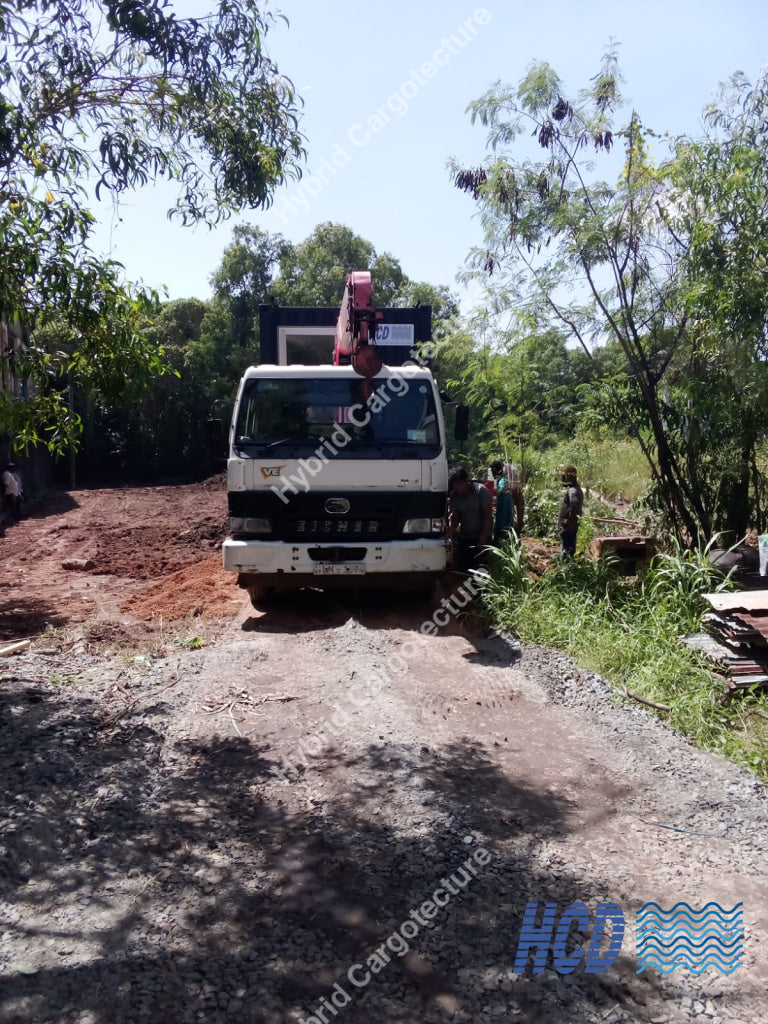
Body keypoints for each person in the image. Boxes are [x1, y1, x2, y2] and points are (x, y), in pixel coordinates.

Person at [447, 465, 493, 573]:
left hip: (481, 535)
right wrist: (450, 531)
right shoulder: (454, 496)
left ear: (466, 481)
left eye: (459, 484)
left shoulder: (481, 491)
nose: (457, 488)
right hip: (465, 536)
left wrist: (484, 536)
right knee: (462, 568)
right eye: (455, 485)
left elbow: (488, 516)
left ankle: (479, 589)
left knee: (480, 568)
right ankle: (464, 588)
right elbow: (456, 517)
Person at [491, 459, 524, 543]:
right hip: (502, 513)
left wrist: (490, 490)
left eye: (493, 471)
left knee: (502, 534)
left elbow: (499, 491)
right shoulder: (500, 481)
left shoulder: (504, 481)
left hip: (504, 514)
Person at [558, 464, 583, 558]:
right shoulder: (576, 489)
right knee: (569, 550)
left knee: (567, 553)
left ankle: (566, 570)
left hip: (569, 528)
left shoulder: (572, 491)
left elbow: (575, 506)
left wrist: (567, 521)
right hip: (572, 526)